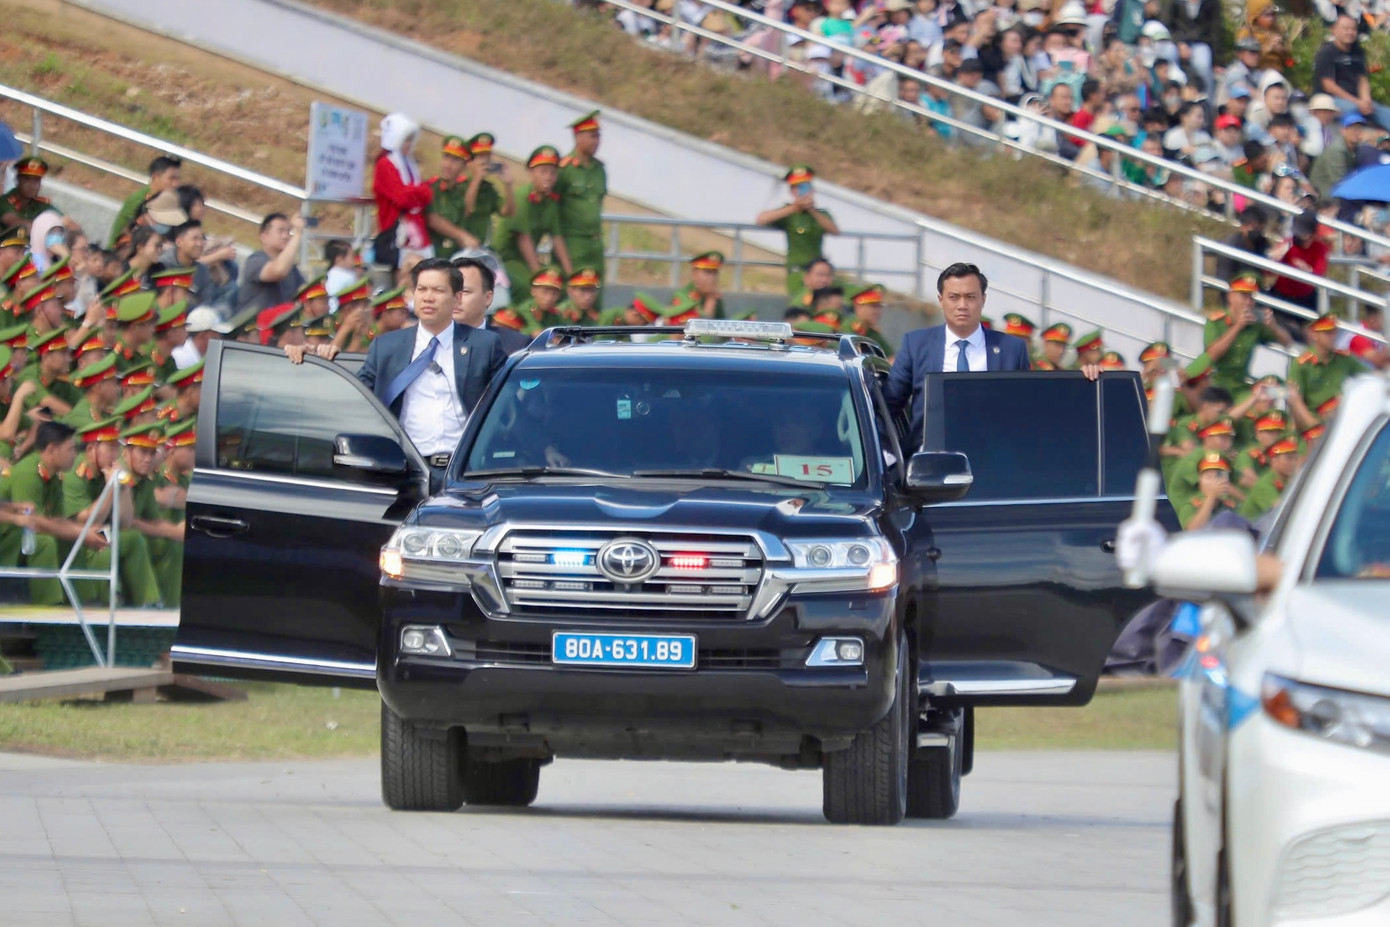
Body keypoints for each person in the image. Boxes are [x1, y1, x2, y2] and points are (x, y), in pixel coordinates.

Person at [289, 258, 507, 483]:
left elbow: (506, 408)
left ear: (456, 298)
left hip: (466, 471)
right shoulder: (387, 347)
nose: (428, 297)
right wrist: (315, 362)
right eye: (421, 289)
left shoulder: (483, 345)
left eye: (438, 290)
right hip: (407, 472)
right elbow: (355, 396)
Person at [884, 263, 1039, 446]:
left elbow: (1029, 411)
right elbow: (887, 407)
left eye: (970, 297)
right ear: (941, 300)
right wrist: (888, 454)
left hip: (993, 462)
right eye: (954, 297)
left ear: (983, 299)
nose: (962, 305)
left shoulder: (1011, 349)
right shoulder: (917, 345)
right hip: (930, 462)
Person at [6, 420, 109, 604]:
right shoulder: (28, 472)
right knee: (44, 541)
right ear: (52, 450)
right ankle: (49, 608)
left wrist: (81, 533)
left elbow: (59, 520)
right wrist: (82, 533)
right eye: (70, 449)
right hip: (7, 537)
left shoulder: (54, 476)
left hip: (18, 535)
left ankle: (85, 602)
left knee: (70, 538)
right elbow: (33, 522)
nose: (75, 454)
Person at [496, 146, 571, 302]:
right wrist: (538, 274)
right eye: (543, 171)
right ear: (531, 172)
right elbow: (524, 239)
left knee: (560, 284)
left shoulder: (550, 201)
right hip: (506, 258)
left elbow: (557, 238)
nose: (548, 177)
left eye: (552, 172)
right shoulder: (522, 197)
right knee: (529, 286)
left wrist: (571, 276)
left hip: (526, 259)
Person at [755, 165, 841, 298]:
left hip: (817, 268)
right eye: (796, 188)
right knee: (797, 300)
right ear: (792, 191)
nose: (800, 191)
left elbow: (834, 231)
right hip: (797, 268)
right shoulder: (789, 212)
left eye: (804, 187)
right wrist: (794, 208)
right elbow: (761, 219)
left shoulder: (821, 214)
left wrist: (812, 210)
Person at [1204, 273, 1294, 394]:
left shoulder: (1255, 325)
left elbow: (1287, 342)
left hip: (1241, 386)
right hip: (1215, 384)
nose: (1248, 302)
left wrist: (1273, 326)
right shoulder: (1216, 321)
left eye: (1251, 298)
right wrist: (1237, 327)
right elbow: (1212, 355)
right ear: (1231, 297)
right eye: (1244, 296)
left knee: (1269, 397)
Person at [556, 111, 609, 295]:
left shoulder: (599, 169)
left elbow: (598, 203)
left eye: (598, 136)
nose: (596, 141)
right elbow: (554, 207)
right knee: (572, 295)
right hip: (573, 243)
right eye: (592, 136)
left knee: (595, 295)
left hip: (595, 243)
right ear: (578, 137)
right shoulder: (565, 169)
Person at [372, 113, 434, 269]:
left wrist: (416, 191)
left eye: (411, 140)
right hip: (396, 232)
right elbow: (402, 198)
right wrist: (420, 190)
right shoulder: (385, 164)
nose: (409, 144)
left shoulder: (409, 164)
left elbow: (425, 196)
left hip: (417, 230)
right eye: (406, 140)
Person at [1314, 13, 1390, 132]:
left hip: (1358, 99)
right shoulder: (1326, 52)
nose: (1350, 32)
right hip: (1333, 98)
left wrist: (1366, 100)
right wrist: (1357, 102)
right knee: (1354, 111)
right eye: (1345, 29)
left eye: (1353, 29)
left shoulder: (1358, 51)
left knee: (1386, 114)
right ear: (1334, 30)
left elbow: (1362, 79)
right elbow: (1328, 85)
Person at [234, 213, 306, 316]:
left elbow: (303, 291)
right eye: (281, 231)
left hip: (282, 326)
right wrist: (298, 233)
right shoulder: (255, 260)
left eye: (288, 231)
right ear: (264, 237)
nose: (286, 236)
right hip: (255, 327)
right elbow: (278, 271)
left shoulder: (291, 268)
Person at [108, 155, 182, 248]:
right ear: (155, 176)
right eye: (171, 178)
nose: (176, 184)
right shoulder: (139, 200)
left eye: (178, 179)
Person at [426, 136, 482, 257]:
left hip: (452, 256)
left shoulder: (459, 192)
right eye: (446, 157)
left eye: (455, 160)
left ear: (464, 166)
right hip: (430, 255)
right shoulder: (431, 187)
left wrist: (477, 179)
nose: (448, 165)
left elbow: (466, 213)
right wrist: (463, 236)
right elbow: (433, 219)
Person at [460, 133, 515, 249]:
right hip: (460, 246)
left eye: (487, 157)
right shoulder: (460, 184)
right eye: (480, 157)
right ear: (470, 162)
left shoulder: (488, 189)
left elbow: (508, 212)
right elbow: (466, 210)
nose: (485, 161)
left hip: (481, 248)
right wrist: (477, 179)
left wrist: (508, 185)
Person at [1269, 209, 1330, 313]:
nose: (1300, 238)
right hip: (1282, 295)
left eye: (1304, 235)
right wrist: (1273, 259)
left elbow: (1320, 272)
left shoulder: (1319, 248)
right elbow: (1268, 272)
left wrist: (1308, 270)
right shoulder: (1287, 244)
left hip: (1305, 298)